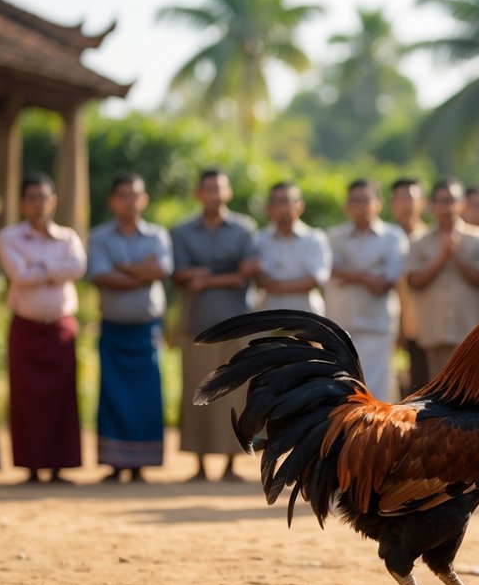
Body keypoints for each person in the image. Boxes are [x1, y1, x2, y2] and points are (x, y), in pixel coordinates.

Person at [0, 172, 86, 484]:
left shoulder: (69, 237)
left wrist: (39, 267)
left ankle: (60, 467)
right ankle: (31, 467)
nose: (38, 204)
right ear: (22, 203)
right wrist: (55, 270)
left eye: (43, 198)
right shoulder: (8, 237)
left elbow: (78, 267)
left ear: (53, 202)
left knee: (62, 399)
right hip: (26, 330)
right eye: (31, 198)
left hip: (60, 331)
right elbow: (18, 275)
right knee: (26, 399)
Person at [170, 168, 256, 482]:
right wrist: (225, 275)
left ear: (228, 192)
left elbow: (244, 274)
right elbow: (178, 274)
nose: (214, 195)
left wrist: (204, 278)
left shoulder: (245, 228)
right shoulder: (181, 232)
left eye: (219, 189)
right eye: (207, 189)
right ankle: (200, 465)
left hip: (237, 325)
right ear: (198, 193)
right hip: (197, 325)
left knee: (235, 396)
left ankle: (233, 465)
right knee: (196, 393)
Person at [88, 173, 173, 482]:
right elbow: (100, 276)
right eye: (122, 195)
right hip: (113, 331)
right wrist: (140, 271)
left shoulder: (157, 235)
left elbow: (160, 271)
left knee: (148, 396)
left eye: (134, 195)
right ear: (112, 200)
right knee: (111, 395)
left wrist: (121, 268)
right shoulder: (98, 237)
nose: (129, 201)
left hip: (145, 330)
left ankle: (140, 465)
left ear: (144, 199)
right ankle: (114, 464)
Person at [326, 179, 407, 403]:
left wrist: (348, 275)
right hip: (341, 327)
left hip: (377, 327)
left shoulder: (393, 236)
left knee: (377, 397)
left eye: (366, 199)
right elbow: (329, 269)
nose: (362, 205)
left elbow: (385, 282)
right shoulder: (333, 237)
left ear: (378, 204)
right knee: (343, 395)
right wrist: (365, 276)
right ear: (347, 206)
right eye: (356, 200)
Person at [405, 178, 479, 375]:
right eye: (442, 201)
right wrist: (442, 257)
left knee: (471, 389)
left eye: (452, 200)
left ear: (462, 204)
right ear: (432, 206)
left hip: (469, 329)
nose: (447, 207)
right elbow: (414, 281)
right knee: (439, 390)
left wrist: (456, 256)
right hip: (433, 330)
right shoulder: (419, 241)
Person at [245, 182, 331, 315]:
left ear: (300, 206)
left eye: (287, 201)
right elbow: (257, 278)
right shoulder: (258, 240)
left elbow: (315, 280)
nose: (283, 207)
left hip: (309, 318)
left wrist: (274, 286)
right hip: (268, 317)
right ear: (269, 208)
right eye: (277, 201)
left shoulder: (315, 238)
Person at [390, 177, 430, 395]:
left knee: (420, 384)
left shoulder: (430, 238)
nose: (406, 204)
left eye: (411, 198)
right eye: (401, 198)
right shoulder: (384, 238)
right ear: (391, 203)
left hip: (421, 322)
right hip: (386, 322)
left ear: (422, 203)